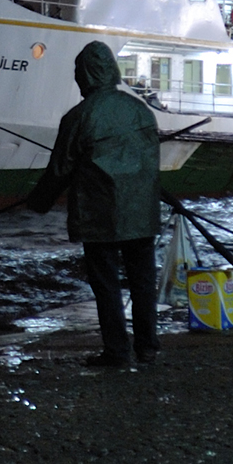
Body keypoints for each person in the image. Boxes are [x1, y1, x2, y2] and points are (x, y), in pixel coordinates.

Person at [27, 41, 162, 366]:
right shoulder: (140, 110)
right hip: (142, 213)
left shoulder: (79, 117)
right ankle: (147, 348)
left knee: (107, 284)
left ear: (85, 75)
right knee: (143, 282)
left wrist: (38, 202)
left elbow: (59, 170)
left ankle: (117, 351)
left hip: (100, 215)